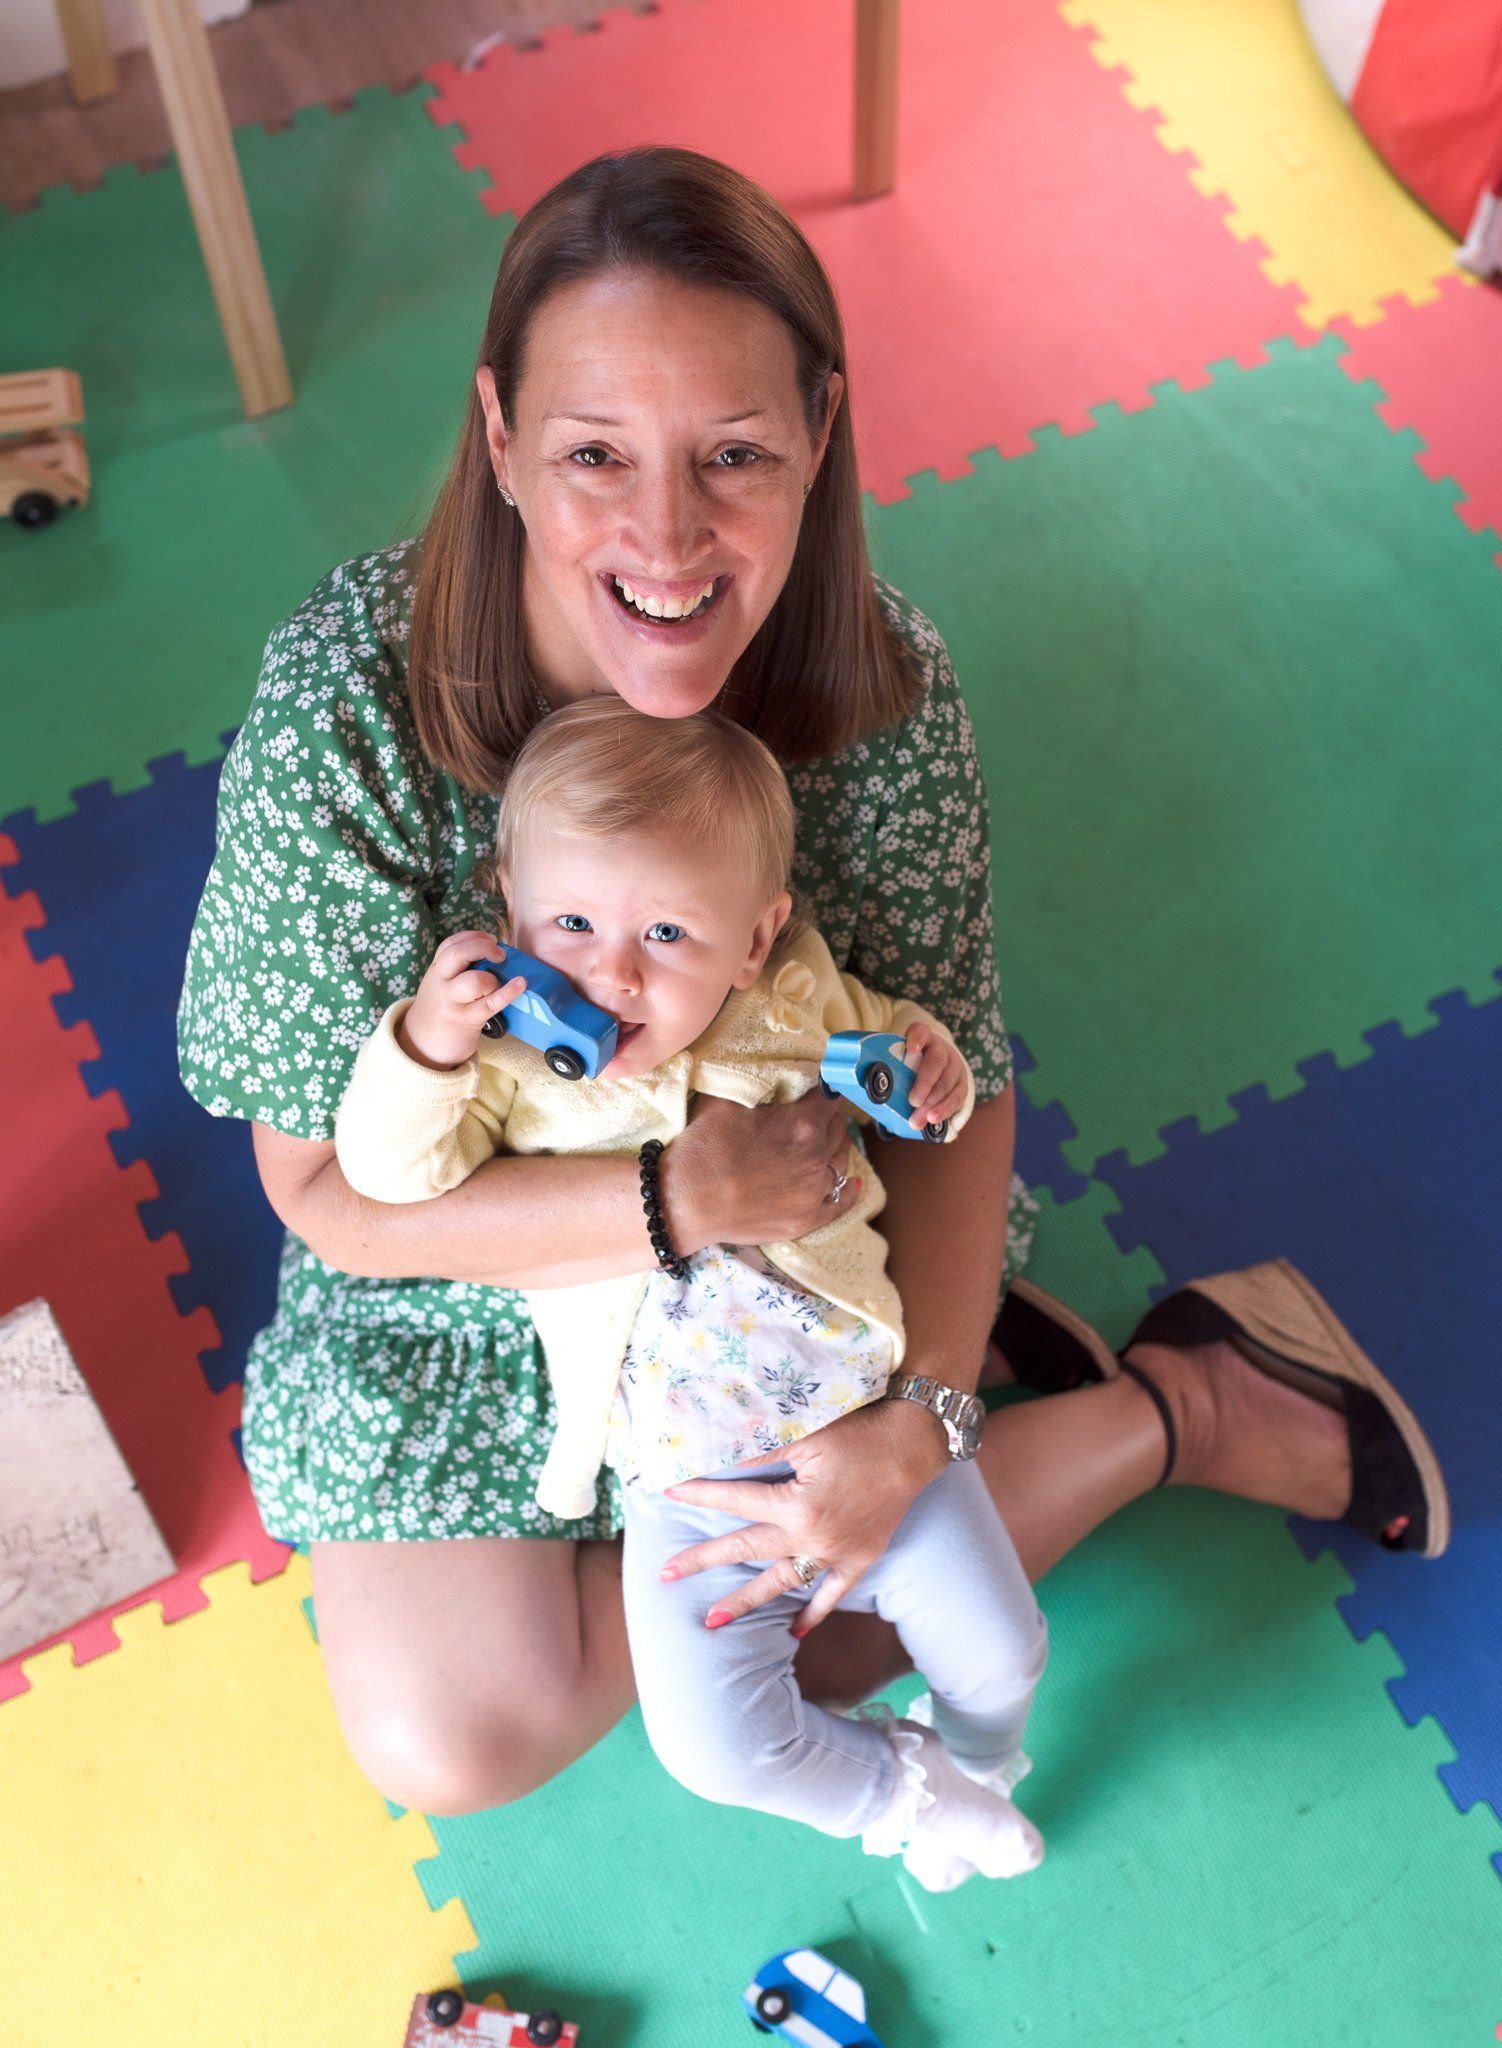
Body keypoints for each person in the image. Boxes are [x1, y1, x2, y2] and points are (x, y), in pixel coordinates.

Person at [178, 144, 1448, 1819]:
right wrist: (665, 1199)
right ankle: (1075, 1401)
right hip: (471, 1270)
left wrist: (916, 1413)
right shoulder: (349, 709)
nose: (664, 532)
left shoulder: (886, 699)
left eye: (734, 454)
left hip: (791, 1256)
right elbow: (323, 1185)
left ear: (819, 436)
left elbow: (960, 1080)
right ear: (495, 439)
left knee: (841, 1632)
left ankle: (1184, 1398)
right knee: (454, 1738)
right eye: (590, 453)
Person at [333, 695, 1050, 1891]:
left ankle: (986, 1761)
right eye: (569, 922)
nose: (610, 972)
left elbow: (918, 1074)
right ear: (508, 909)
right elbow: (391, 1174)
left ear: (757, 935)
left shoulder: (796, 998)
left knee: (1003, 1648)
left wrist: (931, 1064)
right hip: (687, 1481)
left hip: (867, 1418)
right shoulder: (511, 1066)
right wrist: (427, 1043)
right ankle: (910, 1798)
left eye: (667, 932)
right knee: (715, 1747)